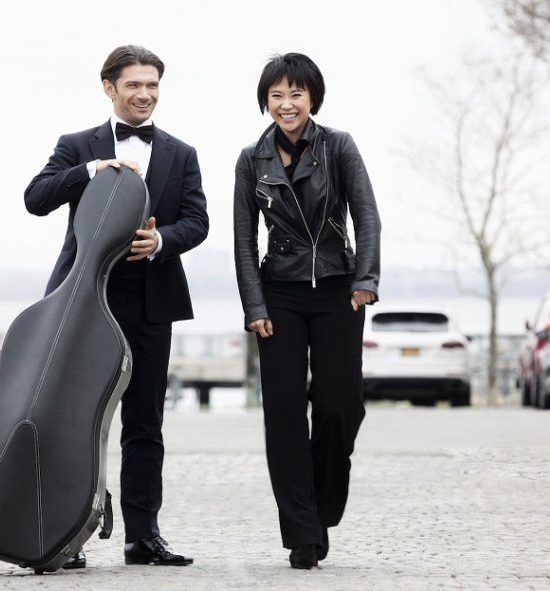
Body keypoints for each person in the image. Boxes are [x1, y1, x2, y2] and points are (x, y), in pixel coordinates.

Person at [24, 44, 208, 568]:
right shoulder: (76, 144)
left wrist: (163, 241)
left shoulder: (182, 152)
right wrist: (88, 170)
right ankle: (66, 535)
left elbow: (198, 220)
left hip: (153, 300)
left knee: (145, 423)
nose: (145, 94)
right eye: (134, 85)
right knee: (74, 419)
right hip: (85, 298)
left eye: (152, 85)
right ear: (109, 87)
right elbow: (35, 198)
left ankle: (143, 537)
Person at [232, 53, 381, 569]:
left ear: (312, 98)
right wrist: (254, 304)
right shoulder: (252, 160)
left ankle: (323, 503)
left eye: (296, 94)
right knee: (285, 412)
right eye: (276, 95)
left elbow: (366, 214)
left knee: (342, 405)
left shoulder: (338, 146)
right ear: (265, 102)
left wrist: (365, 279)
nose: (286, 103)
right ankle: (302, 530)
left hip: (339, 290)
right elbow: (242, 240)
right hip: (280, 296)